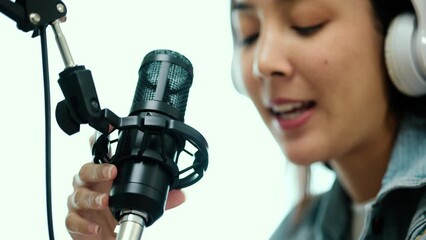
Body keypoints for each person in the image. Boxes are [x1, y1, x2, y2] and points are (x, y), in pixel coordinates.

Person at [65, 0, 426, 239]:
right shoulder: (296, 231)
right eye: (250, 33)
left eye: (306, 23)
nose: (263, 62)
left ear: (408, 42)